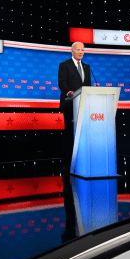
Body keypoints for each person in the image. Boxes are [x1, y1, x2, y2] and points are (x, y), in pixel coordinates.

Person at [58, 42, 91, 172]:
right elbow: (61, 82)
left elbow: (87, 86)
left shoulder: (86, 67)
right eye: (78, 50)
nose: (81, 52)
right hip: (69, 105)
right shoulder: (64, 65)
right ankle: (67, 163)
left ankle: (82, 162)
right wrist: (69, 93)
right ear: (72, 51)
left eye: (83, 50)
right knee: (69, 135)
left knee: (82, 135)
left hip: (83, 106)